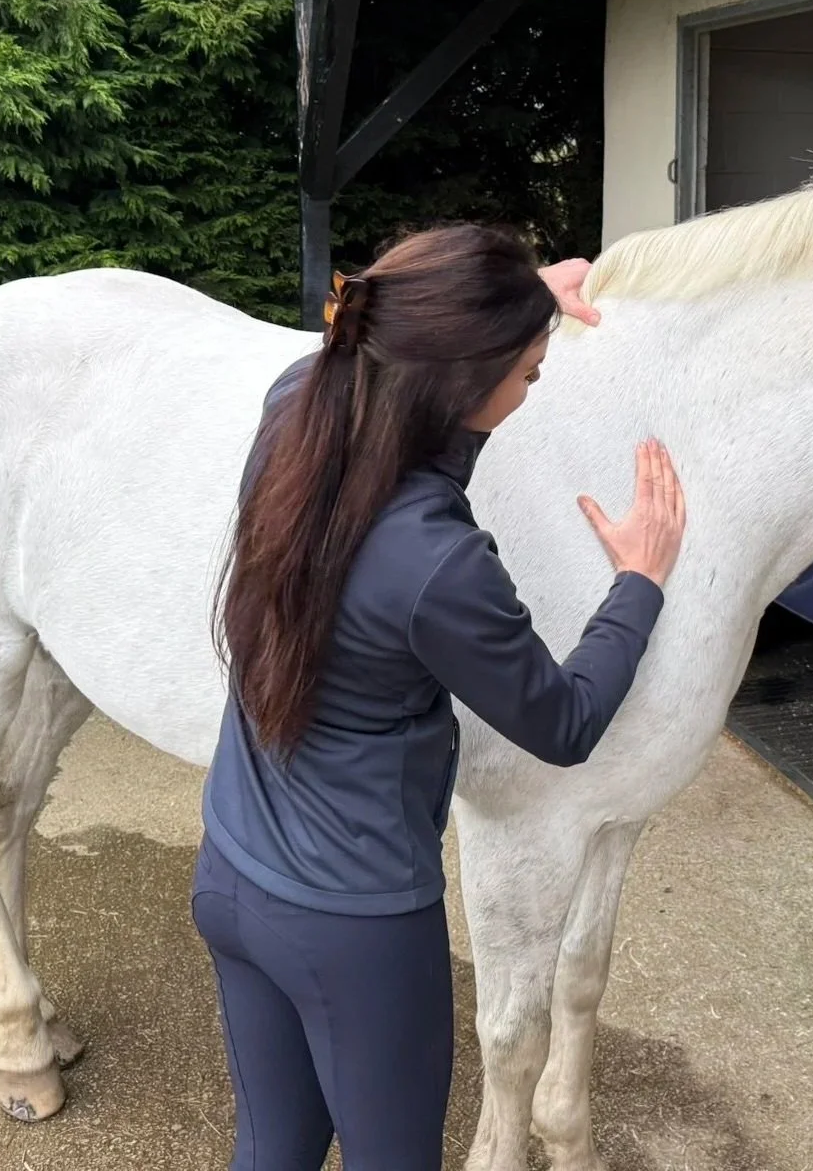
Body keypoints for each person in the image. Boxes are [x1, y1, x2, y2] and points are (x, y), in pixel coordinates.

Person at [192, 224, 687, 1171]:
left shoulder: (294, 407)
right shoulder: (438, 563)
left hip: (230, 875)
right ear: (462, 387)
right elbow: (564, 721)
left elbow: (382, 337)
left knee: (270, 1149)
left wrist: (510, 301)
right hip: (353, 934)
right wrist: (640, 583)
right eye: (531, 374)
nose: (533, 385)